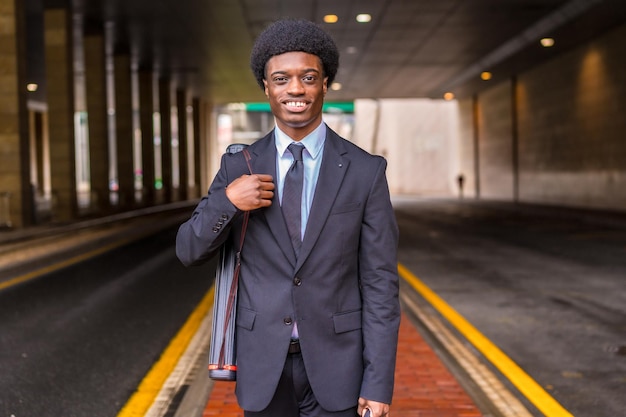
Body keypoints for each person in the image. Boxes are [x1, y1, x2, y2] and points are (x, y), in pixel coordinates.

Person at [176, 19, 400, 417]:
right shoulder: (237, 167)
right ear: (267, 87)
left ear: (325, 83)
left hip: (338, 368)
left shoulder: (366, 171)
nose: (295, 89)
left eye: (308, 77)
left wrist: (378, 382)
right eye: (281, 78)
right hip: (263, 366)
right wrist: (228, 202)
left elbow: (380, 284)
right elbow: (188, 250)